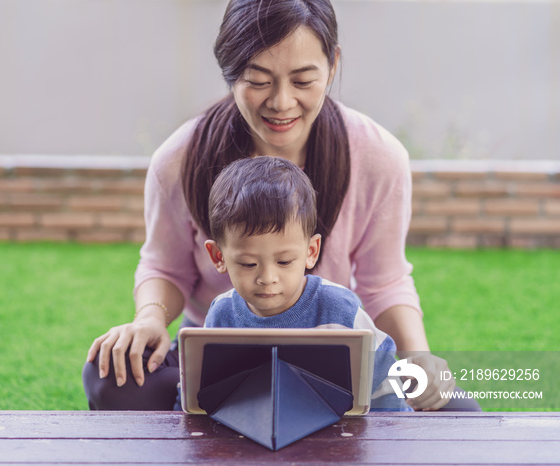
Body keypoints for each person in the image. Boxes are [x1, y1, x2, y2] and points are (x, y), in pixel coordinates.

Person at [84, 0, 479, 412]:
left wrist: (418, 356)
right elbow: (166, 268)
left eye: (303, 80)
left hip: (330, 354)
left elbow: (385, 282)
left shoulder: (379, 157)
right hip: (222, 353)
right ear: (230, 71)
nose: (282, 102)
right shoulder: (181, 159)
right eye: (258, 80)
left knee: (459, 415)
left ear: (333, 65)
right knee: (108, 375)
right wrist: (149, 319)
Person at [200, 155, 410, 411]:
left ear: (311, 251)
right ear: (218, 256)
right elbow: (207, 394)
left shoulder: (339, 310)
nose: (267, 278)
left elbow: (385, 383)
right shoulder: (221, 316)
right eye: (248, 264)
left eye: (285, 261)